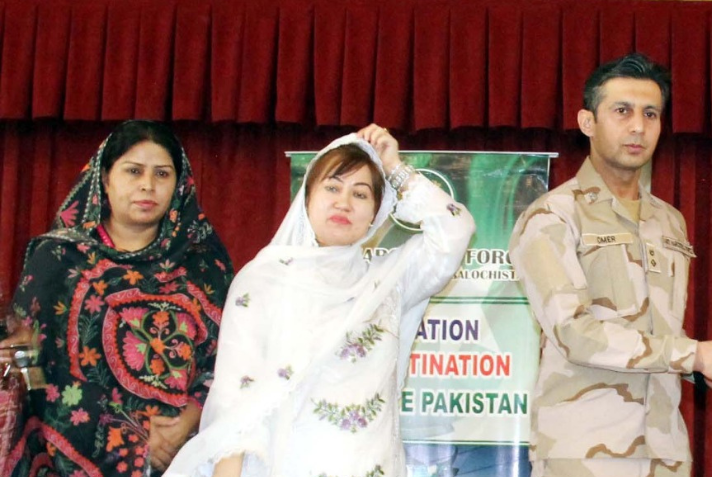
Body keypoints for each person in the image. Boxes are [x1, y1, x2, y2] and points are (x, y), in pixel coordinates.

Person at [508, 53, 712, 477]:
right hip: (584, 452)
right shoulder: (552, 217)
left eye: (651, 114)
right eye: (622, 111)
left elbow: (661, 332)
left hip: (664, 449)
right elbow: (574, 333)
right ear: (587, 122)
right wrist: (694, 356)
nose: (638, 126)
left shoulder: (669, 220)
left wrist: (701, 374)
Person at [163, 125, 475, 476]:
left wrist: (394, 168)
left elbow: (455, 230)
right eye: (332, 187)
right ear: (306, 199)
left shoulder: (389, 280)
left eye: (361, 194)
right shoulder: (265, 279)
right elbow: (237, 398)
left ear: (376, 212)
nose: (344, 202)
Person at [0, 120, 233, 475]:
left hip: (178, 458)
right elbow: (27, 368)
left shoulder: (203, 266)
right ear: (105, 179)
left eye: (162, 174)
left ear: (179, 184)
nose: (147, 185)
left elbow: (229, 357)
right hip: (67, 457)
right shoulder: (58, 259)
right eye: (133, 171)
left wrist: (187, 421)